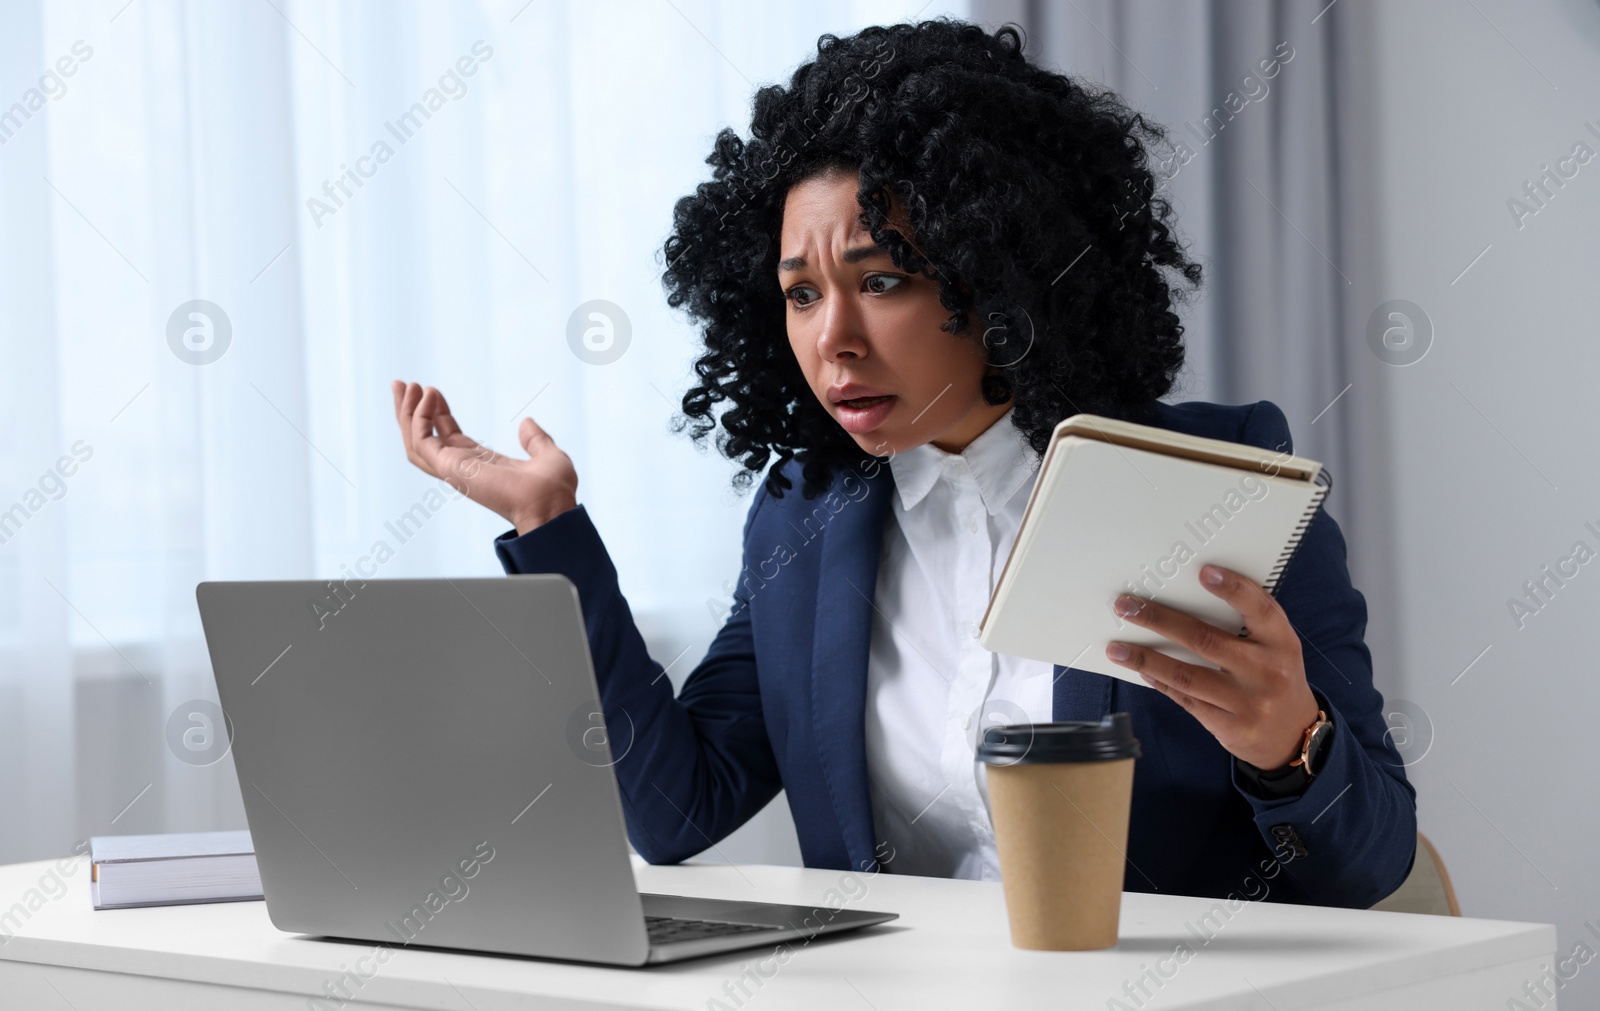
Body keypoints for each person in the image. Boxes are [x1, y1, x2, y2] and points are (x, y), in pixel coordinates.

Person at [391, 19, 1416, 906]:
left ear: (998, 271)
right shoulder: (805, 517)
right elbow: (678, 807)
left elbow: (1368, 865)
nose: (832, 338)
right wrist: (551, 530)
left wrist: (1296, 744)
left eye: (880, 279)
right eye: (799, 293)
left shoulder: (1206, 487)